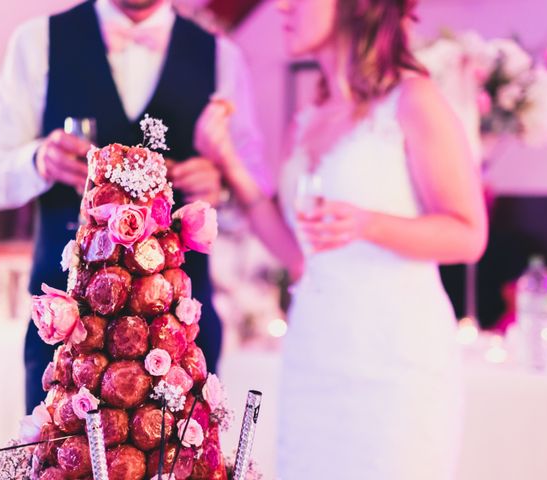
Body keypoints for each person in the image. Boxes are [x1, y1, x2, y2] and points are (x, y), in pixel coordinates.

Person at [194, 0, 488, 477]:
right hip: (314, 354)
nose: (282, 7)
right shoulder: (309, 118)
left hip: (395, 362)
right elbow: (298, 254)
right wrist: (230, 162)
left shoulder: (414, 100)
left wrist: (369, 224)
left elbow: (469, 234)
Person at [0, 0, 265, 414]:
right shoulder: (37, 42)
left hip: (178, 341)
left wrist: (222, 189)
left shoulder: (222, 57)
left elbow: (257, 198)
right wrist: (38, 161)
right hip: (67, 343)